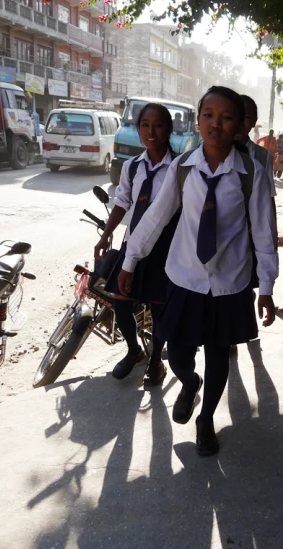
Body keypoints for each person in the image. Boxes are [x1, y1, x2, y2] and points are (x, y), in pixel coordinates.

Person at [118, 86, 278, 456]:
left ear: (240, 124)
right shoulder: (184, 167)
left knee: (219, 354)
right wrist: (130, 259)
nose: (215, 124)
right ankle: (190, 383)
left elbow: (264, 232)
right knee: (177, 355)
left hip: (229, 282)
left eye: (225, 117)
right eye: (208, 115)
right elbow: (155, 218)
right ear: (198, 119)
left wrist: (267, 287)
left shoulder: (251, 174)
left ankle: (206, 419)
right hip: (185, 277)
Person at [95, 103, 177, 387]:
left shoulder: (179, 168)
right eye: (144, 125)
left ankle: (156, 362)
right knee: (121, 299)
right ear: (138, 128)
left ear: (169, 129)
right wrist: (106, 235)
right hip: (133, 243)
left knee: (158, 308)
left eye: (157, 125)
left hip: (165, 248)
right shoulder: (132, 167)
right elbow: (121, 202)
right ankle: (134, 350)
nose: (150, 132)